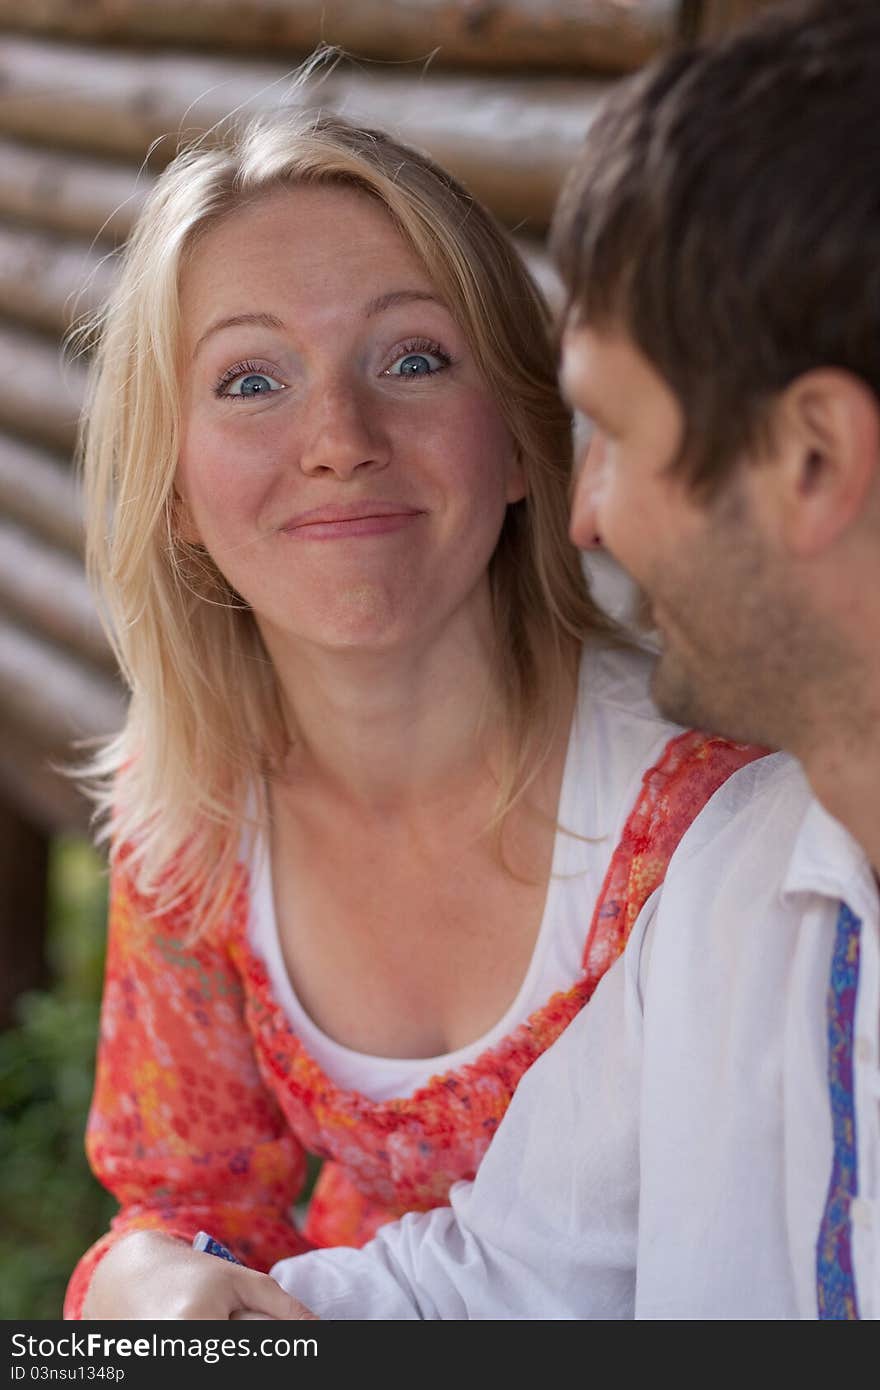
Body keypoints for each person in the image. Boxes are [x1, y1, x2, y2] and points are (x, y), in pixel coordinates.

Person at [65, 111, 759, 1320]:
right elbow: (187, 1202)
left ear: (521, 444)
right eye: (250, 379)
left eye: (413, 358)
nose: (338, 440)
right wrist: (147, 1280)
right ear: (172, 488)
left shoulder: (707, 817)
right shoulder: (196, 828)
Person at [255, 0, 879, 1318]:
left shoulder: (685, 838)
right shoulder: (746, 879)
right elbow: (496, 1277)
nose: (586, 511)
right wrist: (195, 1318)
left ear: (813, 459)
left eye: (609, 426)